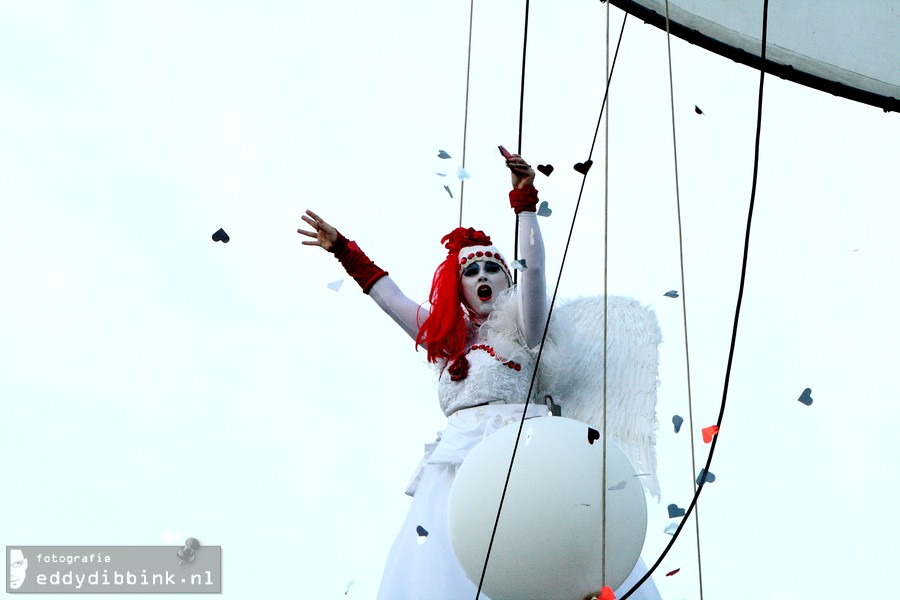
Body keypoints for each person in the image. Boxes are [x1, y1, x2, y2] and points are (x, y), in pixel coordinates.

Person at [298, 155, 660, 599]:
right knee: (445, 564)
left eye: (494, 269)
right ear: (459, 286)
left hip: (524, 453)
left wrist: (524, 201)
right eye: (471, 271)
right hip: (458, 462)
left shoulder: (525, 330)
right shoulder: (447, 341)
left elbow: (536, 272)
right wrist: (343, 250)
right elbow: (388, 296)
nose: (484, 275)